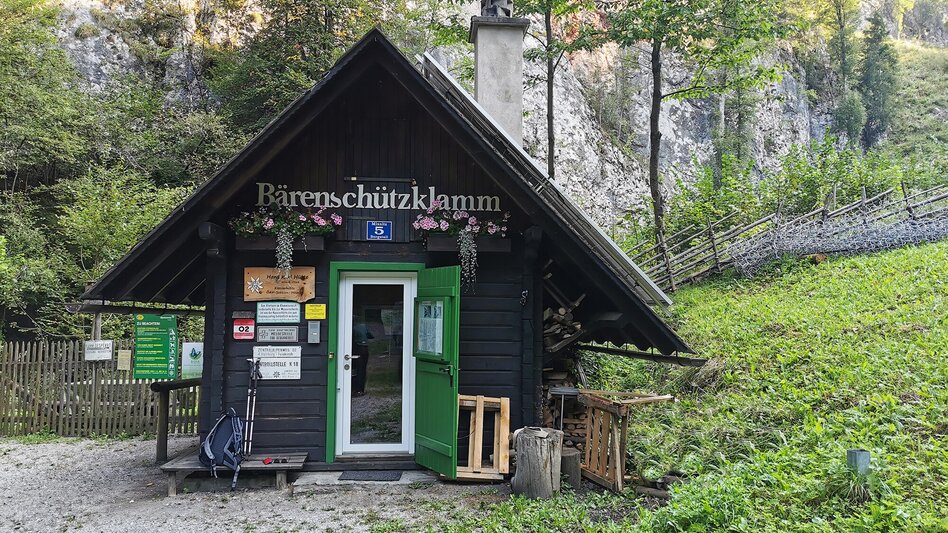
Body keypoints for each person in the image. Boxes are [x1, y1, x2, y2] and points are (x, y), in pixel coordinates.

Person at [352, 317, 372, 396]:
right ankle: (361, 390)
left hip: (356, 349)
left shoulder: (352, 327)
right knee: (362, 369)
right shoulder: (363, 326)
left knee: (356, 370)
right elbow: (370, 335)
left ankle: (355, 390)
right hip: (365, 350)